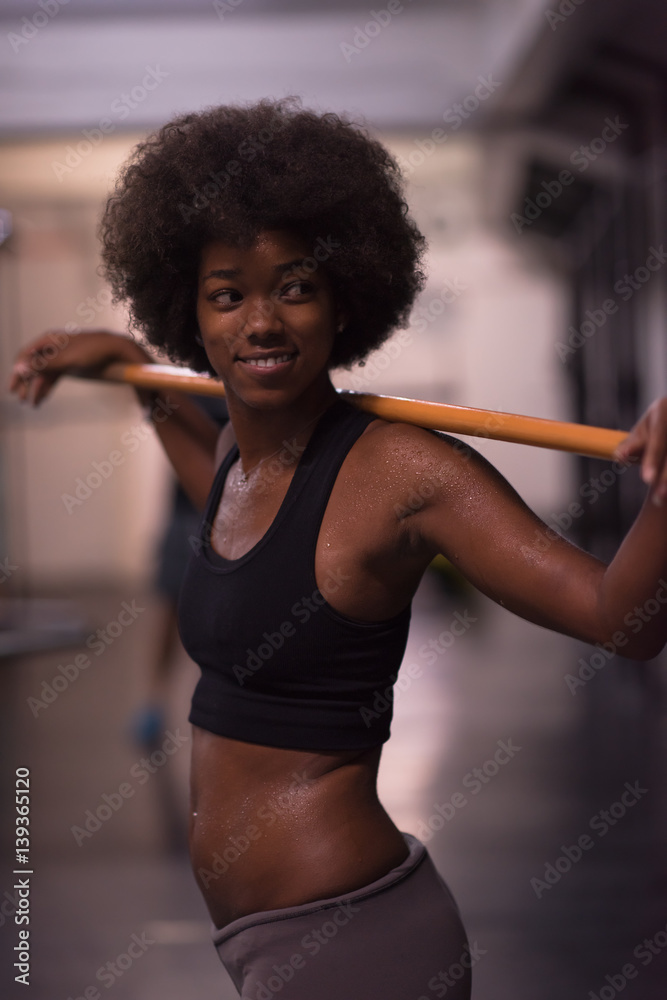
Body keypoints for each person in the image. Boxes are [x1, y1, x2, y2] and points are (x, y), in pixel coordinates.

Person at [9, 97, 667, 999]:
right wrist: (126, 363)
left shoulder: (402, 470)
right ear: (189, 316)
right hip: (263, 944)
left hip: (352, 946)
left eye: (295, 285)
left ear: (344, 297)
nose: (261, 324)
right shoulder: (242, 460)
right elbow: (235, 527)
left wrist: (666, 495)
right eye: (226, 295)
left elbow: (618, 620)